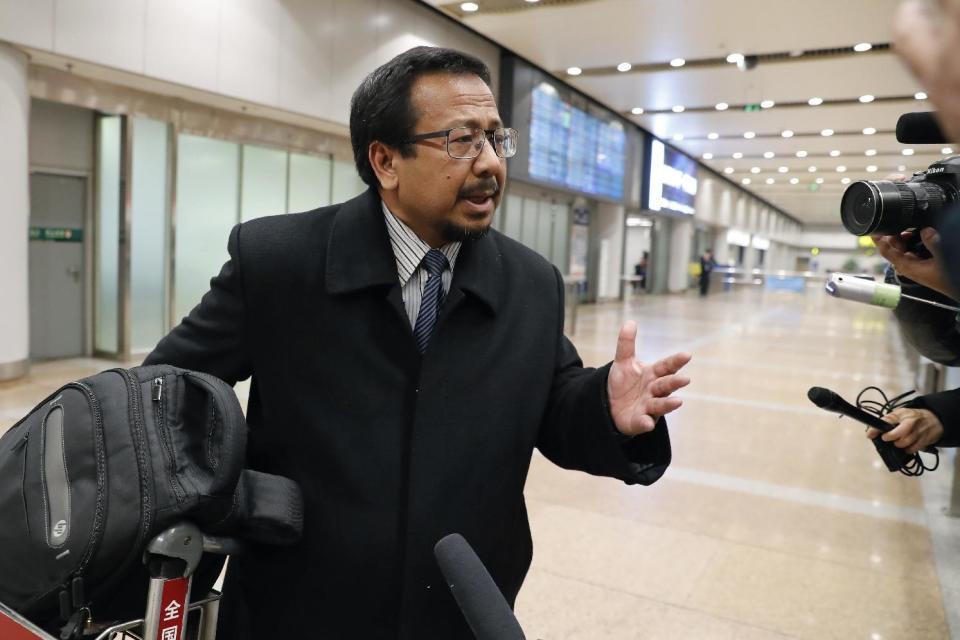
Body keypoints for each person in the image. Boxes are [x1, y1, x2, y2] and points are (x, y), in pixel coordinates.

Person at [144, 46, 691, 638]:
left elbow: (552, 401)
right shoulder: (280, 262)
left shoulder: (531, 283)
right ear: (385, 160)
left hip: (461, 604)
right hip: (299, 607)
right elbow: (162, 395)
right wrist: (231, 498)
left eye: (495, 139)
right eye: (461, 141)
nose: (489, 164)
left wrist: (603, 408)